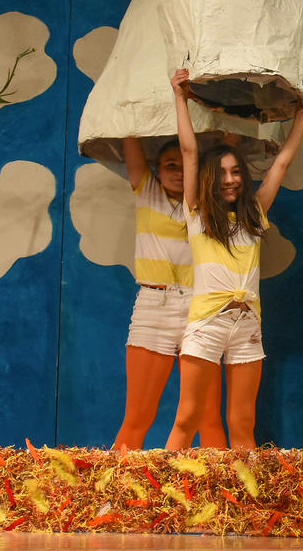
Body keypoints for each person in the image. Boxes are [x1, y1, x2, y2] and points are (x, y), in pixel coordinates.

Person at [165, 69, 303, 450]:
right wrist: (180, 98)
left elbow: (280, 165)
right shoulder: (198, 214)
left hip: (247, 326)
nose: (230, 179)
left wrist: (301, 120)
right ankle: (162, 486)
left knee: (243, 423)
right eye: (222, 174)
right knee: (188, 417)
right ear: (208, 179)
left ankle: (243, 490)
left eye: (236, 172)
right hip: (207, 323)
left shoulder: (254, 214)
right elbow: (189, 152)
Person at [113, 137, 227, 450]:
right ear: (157, 171)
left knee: (209, 418)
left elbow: (226, 147)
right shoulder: (147, 191)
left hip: (200, 308)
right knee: (137, 418)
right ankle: (117, 481)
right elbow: (130, 137)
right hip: (154, 306)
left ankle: (220, 483)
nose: (177, 172)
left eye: (183, 166)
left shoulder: (208, 202)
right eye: (170, 166)